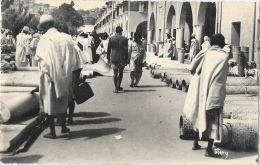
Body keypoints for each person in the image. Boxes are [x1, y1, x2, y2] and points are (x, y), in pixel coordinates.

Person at [183, 33, 229, 157]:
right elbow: (225, 74)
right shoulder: (224, 57)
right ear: (222, 44)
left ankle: (195, 143)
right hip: (215, 93)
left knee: (200, 115)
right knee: (213, 122)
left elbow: (194, 69)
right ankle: (209, 150)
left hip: (203, 91)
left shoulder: (207, 53)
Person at [35, 14, 79, 139]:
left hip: (49, 75)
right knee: (63, 100)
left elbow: (41, 60)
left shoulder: (44, 39)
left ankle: (52, 132)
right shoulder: (66, 38)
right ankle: (63, 127)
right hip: (65, 75)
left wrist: (48, 73)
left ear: (45, 26)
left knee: (49, 102)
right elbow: (73, 59)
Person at [107, 26, 128, 93]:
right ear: (121, 31)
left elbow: (108, 49)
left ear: (116, 31)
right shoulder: (124, 39)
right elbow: (126, 50)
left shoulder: (111, 38)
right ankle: (118, 86)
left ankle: (116, 88)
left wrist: (108, 58)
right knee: (121, 72)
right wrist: (127, 59)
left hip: (114, 57)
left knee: (115, 72)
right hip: (122, 57)